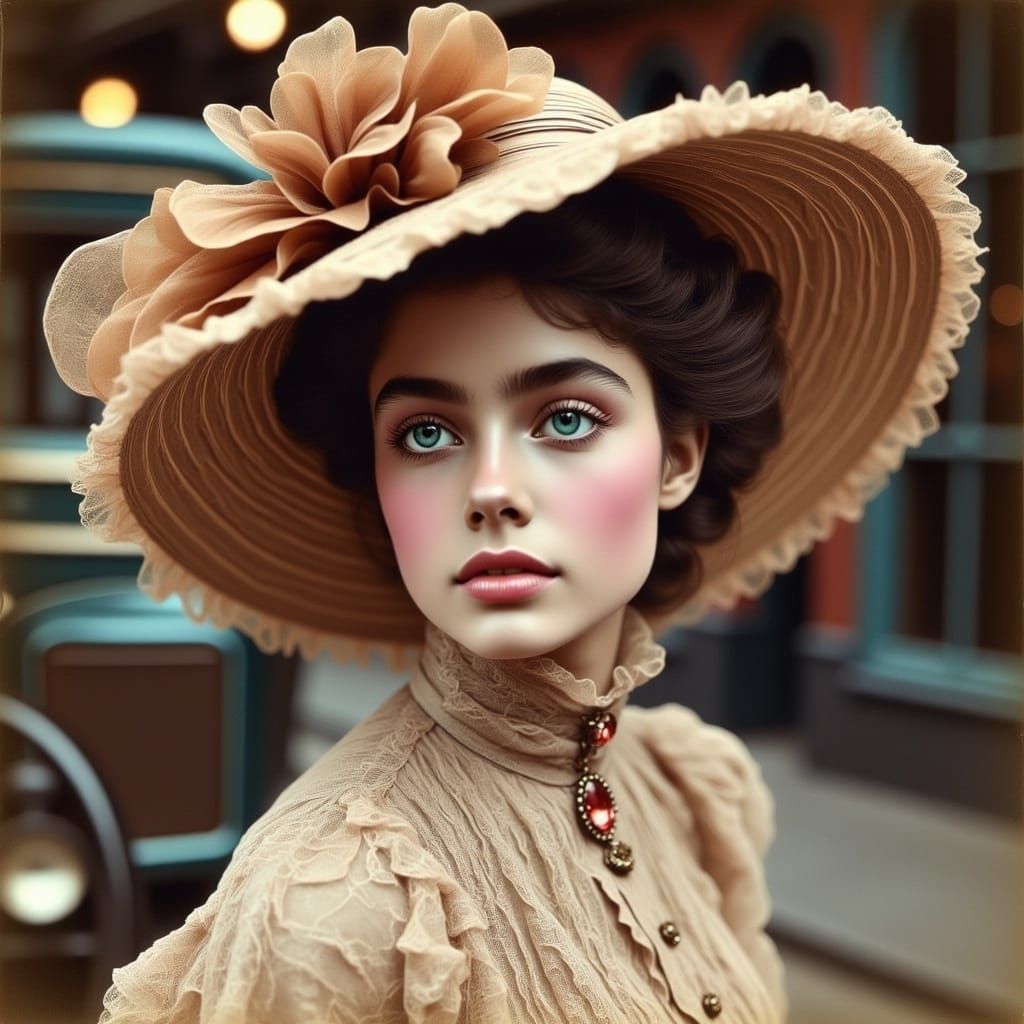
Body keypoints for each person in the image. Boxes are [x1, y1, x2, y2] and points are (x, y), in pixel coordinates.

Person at [40, 4, 986, 1022]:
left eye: (566, 418)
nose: (492, 488)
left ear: (677, 455)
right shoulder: (339, 904)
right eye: (426, 433)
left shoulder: (687, 791)